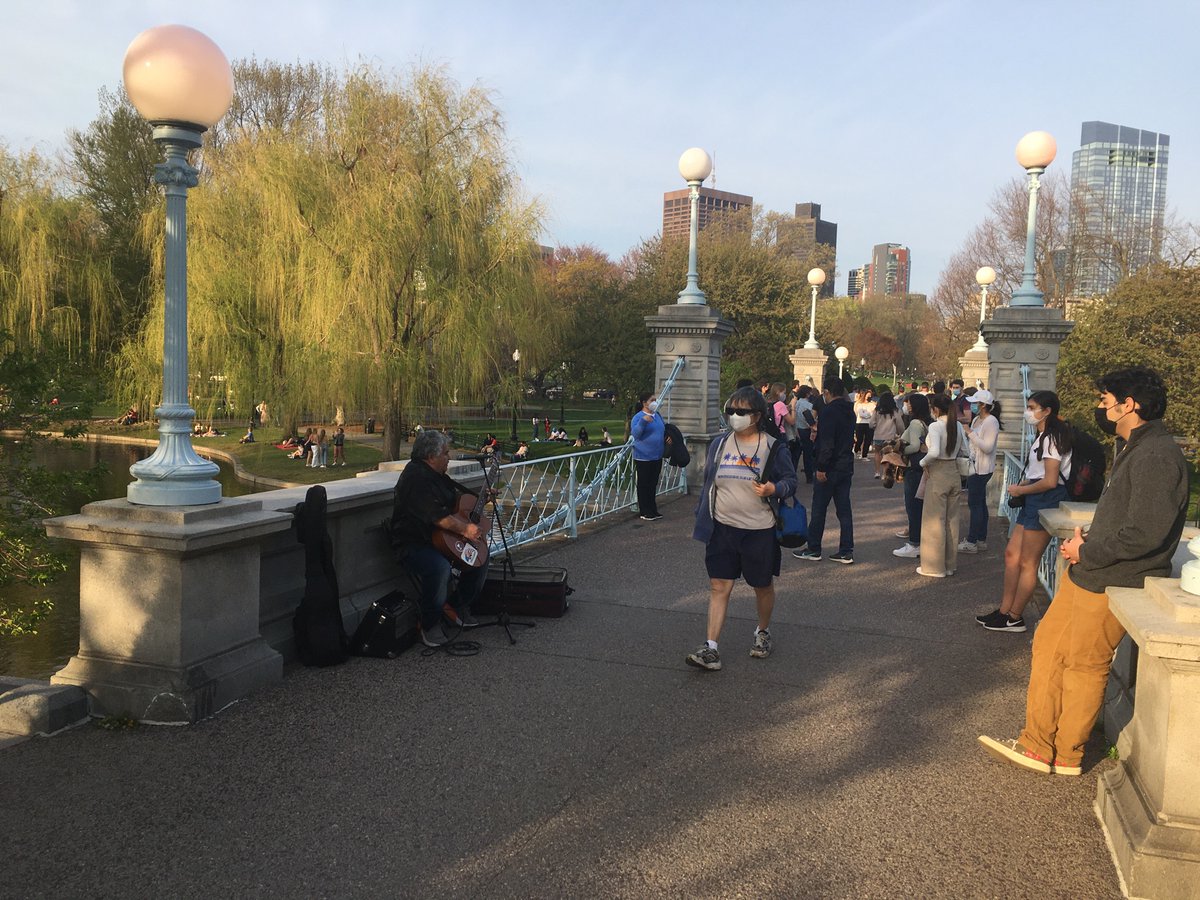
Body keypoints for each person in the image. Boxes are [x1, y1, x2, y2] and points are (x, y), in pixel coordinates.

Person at [979, 367, 1189, 776]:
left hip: (1111, 577)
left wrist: (1087, 548)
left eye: (1105, 399)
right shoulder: (1135, 446)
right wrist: (1088, 540)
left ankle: (1064, 752)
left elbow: (1145, 533)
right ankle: (1038, 741)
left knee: (1084, 665)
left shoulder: (1158, 455)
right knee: (1049, 649)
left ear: (1130, 404)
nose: (1099, 406)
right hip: (1090, 570)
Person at [686, 386, 798, 671]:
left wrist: (775, 487)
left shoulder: (773, 446)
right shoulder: (719, 444)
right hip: (722, 528)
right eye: (730, 411)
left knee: (761, 585)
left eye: (741, 412)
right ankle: (711, 648)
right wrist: (702, 516)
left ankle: (762, 632)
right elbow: (710, 484)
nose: (734, 416)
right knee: (718, 585)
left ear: (757, 415)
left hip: (759, 529)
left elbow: (790, 480)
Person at [389, 430, 492, 646]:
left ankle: (457, 607)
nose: (449, 457)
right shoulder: (415, 478)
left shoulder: (438, 476)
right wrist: (465, 530)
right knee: (440, 568)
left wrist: (480, 499)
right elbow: (437, 517)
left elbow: (454, 503)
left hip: (441, 541)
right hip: (414, 544)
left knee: (480, 557)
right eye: (445, 453)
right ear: (431, 456)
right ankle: (430, 623)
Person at [981, 390, 1073, 633]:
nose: (1028, 412)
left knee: (1028, 562)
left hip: (1045, 498)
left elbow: (1051, 480)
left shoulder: (1052, 438)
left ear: (1047, 411)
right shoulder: (1041, 435)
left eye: (1032, 407)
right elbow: (1039, 473)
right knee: (1012, 554)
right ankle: (1004, 610)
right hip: (1034, 496)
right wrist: (1024, 487)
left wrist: (1023, 491)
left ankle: (1015, 616)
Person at [793, 376, 855, 564]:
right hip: (845, 464)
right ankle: (846, 549)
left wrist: (821, 467)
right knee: (844, 510)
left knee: (819, 508)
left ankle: (814, 548)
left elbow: (828, 443)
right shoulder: (850, 412)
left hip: (830, 466)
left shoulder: (828, 412)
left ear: (827, 392)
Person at [916, 394, 966, 578]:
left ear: (935, 409)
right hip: (954, 471)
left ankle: (934, 567)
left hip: (938, 472)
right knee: (951, 521)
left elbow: (935, 451)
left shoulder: (935, 426)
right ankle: (949, 564)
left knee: (933, 520)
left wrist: (922, 463)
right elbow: (966, 450)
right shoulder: (958, 425)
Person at [893, 393, 932, 559]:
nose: (907, 407)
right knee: (919, 506)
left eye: (909, 404)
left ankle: (914, 543)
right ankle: (919, 540)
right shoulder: (925, 422)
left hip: (913, 468)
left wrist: (900, 450)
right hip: (921, 468)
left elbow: (915, 446)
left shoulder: (915, 423)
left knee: (913, 506)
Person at [960, 390, 1000, 553]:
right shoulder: (977, 419)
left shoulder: (991, 422)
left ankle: (972, 541)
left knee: (975, 504)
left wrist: (969, 433)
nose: (973, 405)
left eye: (976, 403)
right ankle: (980, 539)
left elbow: (988, 447)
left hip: (982, 469)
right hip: (974, 466)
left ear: (983, 405)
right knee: (980, 504)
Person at [631, 390, 667, 521]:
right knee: (644, 484)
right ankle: (644, 511)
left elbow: (662, 429)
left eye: (655, 400)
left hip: (657, 456)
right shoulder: (638, 417)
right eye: (652, 400)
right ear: (644, 403)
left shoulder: (657, 416)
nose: (655, 402)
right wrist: (643, 422)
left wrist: (668, 437)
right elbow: (636, 434)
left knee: (653, 484)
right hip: (643, 456)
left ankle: (653, 509)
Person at [869, 392, 904, 480]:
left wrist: (875, 426)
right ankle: (885, 473)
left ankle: (877, 472)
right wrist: (901, 433)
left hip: (878, 436)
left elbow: (871, 424)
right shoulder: (895, 411)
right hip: (889, 437)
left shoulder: (877, 410)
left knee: (877, 453)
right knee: (887, 455)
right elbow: (900, 425)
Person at [853, 389, 876, 460]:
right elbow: (860, 413)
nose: (869, 397)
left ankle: (864, 455)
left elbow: (874, 413)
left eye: (870, 396)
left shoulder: (872, 404)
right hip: (860, 423)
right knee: (859, 439)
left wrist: (869, 414)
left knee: (868, 440)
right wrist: (868, 414)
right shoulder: (859, 404)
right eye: (867, 395)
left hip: (869, 424)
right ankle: (855, 450)